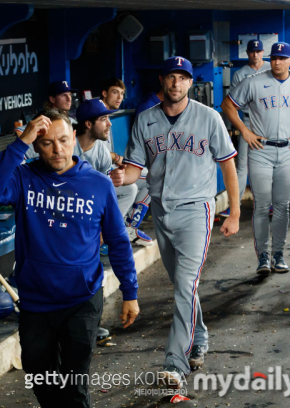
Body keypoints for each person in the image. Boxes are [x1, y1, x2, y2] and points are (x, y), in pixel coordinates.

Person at [0, 110, 140, 407]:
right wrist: (21, 140)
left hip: (82, 298)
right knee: (40, 377)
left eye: (64, 140)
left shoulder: (98, 184)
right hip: (36, 301)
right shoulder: (24, 177)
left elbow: (117, 241)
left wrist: (130, 292)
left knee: (75, 385)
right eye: (47, 143)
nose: (58, 150)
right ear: (36, 146)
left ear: (74, 140)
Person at [111, 56, 240, 387]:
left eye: (183, 78)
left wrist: (235, 211)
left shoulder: (209, 118)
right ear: (162, 80)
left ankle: (175, 363)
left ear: (190, 83)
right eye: (171, 77)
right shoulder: (145, 120)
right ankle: (199, 338)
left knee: (185, 284)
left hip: (197, 210)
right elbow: (135, 171)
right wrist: (116, 179)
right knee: (185, 285)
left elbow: (228, 165)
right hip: (161, 211)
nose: (177, 83)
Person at [222, 42, 290, 275]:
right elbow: (228, 104)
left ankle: (279, 253)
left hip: (288, 150)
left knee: (282, 206)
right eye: (274, 57)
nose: (277, 61)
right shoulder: (253, 81)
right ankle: (263, 255)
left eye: (282, 58)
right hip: (261, 150)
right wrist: (244, 131)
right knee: (262, 205)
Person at [74, 98, 153, 248]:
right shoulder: (67, 143)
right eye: (103, 119)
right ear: (88, 124)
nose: (109, 124)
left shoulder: (101, 151)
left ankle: (116, 230)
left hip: (87, 194)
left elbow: (103, 193)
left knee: (130, 188)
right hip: (64, 196)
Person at [219, 39, 271, 218]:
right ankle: (235, 206)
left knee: (267, 165)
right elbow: (234, 104)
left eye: (258, 51)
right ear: (247, 53)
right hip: (248, 122)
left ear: (263, 52)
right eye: (252, 52)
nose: (255, 54)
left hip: (269, 122)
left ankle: (268, 205)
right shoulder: (241, 74)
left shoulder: (272, 70)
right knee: (242, 166)